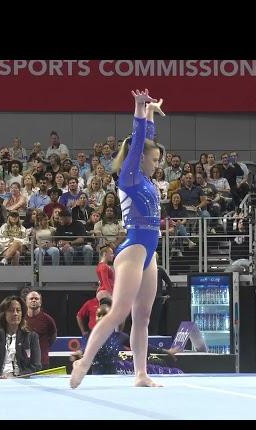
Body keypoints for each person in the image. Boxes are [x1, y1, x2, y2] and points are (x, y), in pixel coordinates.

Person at [70, 88, 165, 389]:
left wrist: (150, 112)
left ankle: (140, 373)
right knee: (119, 312)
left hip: (150, 251)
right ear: (140, 161)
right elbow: (138, 142)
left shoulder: (146, 180)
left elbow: (146, 139)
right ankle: (84, 361)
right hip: (134, 249)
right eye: (155, 159)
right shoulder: (130, 177)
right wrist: (139, 109)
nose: (157, 164)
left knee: (143, 316)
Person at [71, 302, 181, 375]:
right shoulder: (90, 336)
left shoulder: (120, 337)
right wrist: (79, 354)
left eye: (104, 315)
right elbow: (85, 348)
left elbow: (140, 346)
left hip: (114, 377)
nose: (100, 318)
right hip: (96, 378)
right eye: (98, 315)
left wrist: (166, 351)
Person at [0, 295, 41, 379]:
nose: (15, 313)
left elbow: (36, 365)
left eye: (18, 310)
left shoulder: (32, 337)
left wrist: (20, 377)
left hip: (23, 382)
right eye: (11, 310)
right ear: (3, 314)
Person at [24, 290, 57, 369]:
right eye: (31, 298)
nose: (34, 300)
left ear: (40, 302)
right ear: (26, 302)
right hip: (24, 362)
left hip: (42, 361)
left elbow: (53, 336)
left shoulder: (48, 319)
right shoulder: (21, 319)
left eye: (36, 298)